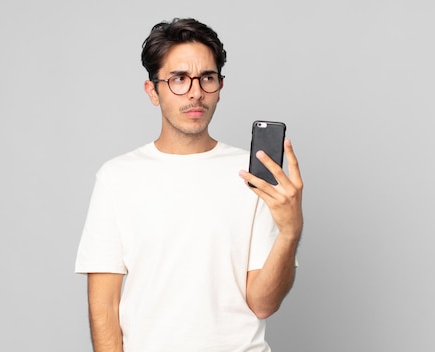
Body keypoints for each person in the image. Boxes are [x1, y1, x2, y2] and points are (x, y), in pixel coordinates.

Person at [75, 17, 304, 352]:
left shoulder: (252, 176)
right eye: (179, 79)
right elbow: (104, 307)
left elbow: (263, 303)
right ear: (153, 91)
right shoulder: (116, 178)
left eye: (207, 78)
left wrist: (290, 232)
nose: (196, 92)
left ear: (220, 88)